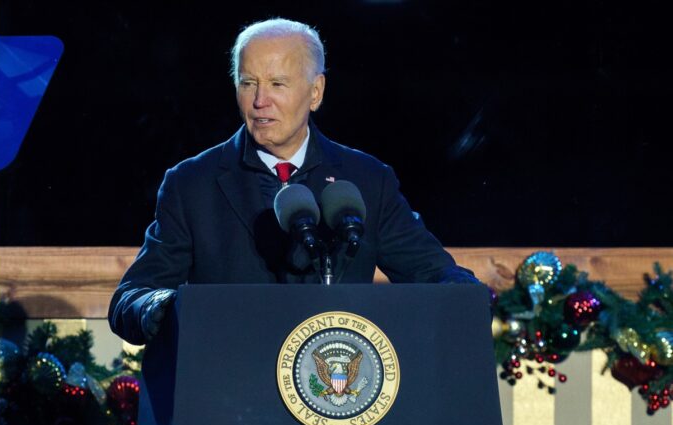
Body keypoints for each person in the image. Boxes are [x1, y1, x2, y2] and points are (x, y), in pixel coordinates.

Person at [108, 18, 478, 345]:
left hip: (335, 394)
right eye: (248, 83)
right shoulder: (192, 184)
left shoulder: (368, 180)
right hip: (228, 391)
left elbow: (433, 273)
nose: (259, 101)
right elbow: (131, 297)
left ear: (315, 92)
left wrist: (466, 294)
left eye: (277, 84)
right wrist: (157, 306)